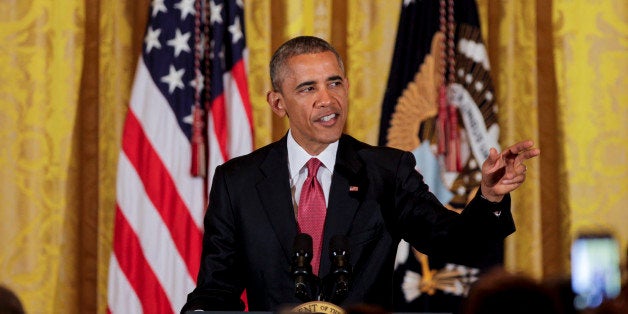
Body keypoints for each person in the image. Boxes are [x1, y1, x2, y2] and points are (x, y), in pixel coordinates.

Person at [181, 36, 540, 312]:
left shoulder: (387, 171)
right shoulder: (237, 181)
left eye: (334, 83)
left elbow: (453, 242)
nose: (327, 99)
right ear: (278, 103)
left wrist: (490, 197)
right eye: (308, 88)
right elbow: (217, 289)